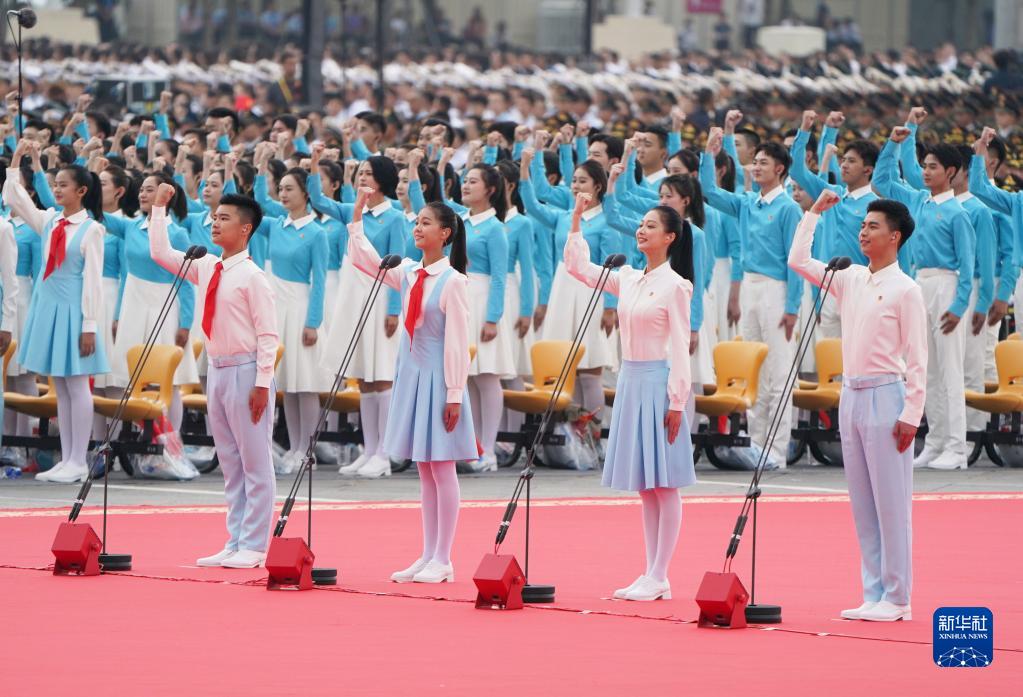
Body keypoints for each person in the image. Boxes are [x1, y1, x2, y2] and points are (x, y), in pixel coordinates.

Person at [789, 190, 927, 622]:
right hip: (851, 394)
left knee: (892, 503)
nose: (863, 232)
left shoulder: (906, 290)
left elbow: (918, 359)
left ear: (895, 236)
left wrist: (911, 414)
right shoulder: (849, 278)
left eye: (873, 227)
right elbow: (798, 260)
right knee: (863, 503)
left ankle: (898, 597)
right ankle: (873, 592)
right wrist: (813, 214)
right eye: (863, 225)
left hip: (887, 395)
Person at [564, 194, 695, 602]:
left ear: (670, 237)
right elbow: (579, 268)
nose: (641, 230)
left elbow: (680, 348)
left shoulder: (676, 286)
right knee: (645, 484)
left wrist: (677, 402)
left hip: (659, 383)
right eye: (641, 224)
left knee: (664, 483)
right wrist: (576, 220)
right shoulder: (628, 278)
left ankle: (660, 573)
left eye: (651, 226)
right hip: (631, 381)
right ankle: (651, 572)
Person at [348, 189, 477, 584]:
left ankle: (444, 557)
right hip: (411, 374)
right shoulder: (407, 272)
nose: (417, 228)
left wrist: (454, 394)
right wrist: (356, 217)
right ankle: (427, 554)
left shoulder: (453, 282)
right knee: (424, 468)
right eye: (416, 222)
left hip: (439, 378)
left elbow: (457, 343)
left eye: (426, 223)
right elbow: (365, 260)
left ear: (445, 233)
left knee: (442, 467)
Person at [150, 185, 279, 569]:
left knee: (255, 461)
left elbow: (268, 336)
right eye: (215, 217)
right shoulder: (207, 265)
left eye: (224, 219)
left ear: (246, 228)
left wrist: (261, 384)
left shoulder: (253, 277)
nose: (215, 224)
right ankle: (235, 539)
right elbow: (161, 253)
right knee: (230, 461)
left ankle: (255, 544)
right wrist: (159, 209)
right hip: (219, 370)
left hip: (247, 371)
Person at [3, 149, 110, 483]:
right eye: (56, 185)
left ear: (82, 191)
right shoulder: (50, 221)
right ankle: (67, 458)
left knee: (77, 385)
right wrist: (16, 163)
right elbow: (15, 199)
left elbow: (93, 281)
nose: (57, 189)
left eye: (64, 185)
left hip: (73, 310)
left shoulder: (91, 229)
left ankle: (79, 459)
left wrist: (89, 325)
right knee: (60, 387)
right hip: (48, 306)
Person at [701, 129, 804, 468]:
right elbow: (708, 192)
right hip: (750, 287)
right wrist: (709, 154)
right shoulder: (747, 202)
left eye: (763, 163)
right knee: (754, 372)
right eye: (755, 161)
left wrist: (792, 307)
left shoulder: (789, 209)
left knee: (779, 371)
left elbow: (795, 262)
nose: (756, 167)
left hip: (777, 289)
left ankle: (778, 449)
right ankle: (757, 445)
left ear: (780, 169)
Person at [874, 127, 974, 471]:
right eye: (924, 166)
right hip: (919, 284)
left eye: (933, 167)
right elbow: (882, 179)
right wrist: (894, 142)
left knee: (950, 371)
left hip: (946, 285)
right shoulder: (917, 201)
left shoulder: (958, 213)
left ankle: (957, 448)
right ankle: (935, 442)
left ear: (951, 172)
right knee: (925, 369)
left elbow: (967, 264)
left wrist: (959, 306)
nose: (926, 172)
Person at [251, 168, 328, 470]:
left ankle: (307, 450)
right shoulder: (275, 225)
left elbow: (319, 281)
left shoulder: (317, 233)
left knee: (304, 382)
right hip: (277, 308)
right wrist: (261, 168)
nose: (282, 194)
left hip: (300, 308)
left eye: (289, 189)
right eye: (280, 188)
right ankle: (295, 447)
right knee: (288, 384)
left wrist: (313, 322)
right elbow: (258, 202)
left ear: (306, 193)